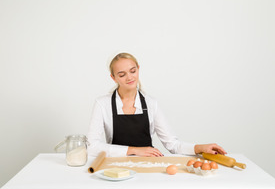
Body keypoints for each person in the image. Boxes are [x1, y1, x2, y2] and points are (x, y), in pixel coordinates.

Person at [87, 52, 227, 157]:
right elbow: (92, 146)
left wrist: (200, 148)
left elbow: (172, 144)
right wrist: (134, 150)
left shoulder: (151, 103)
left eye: (133, 71)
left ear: (138, 69)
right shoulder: (102, 104)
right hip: (117, 167)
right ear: (113, 77)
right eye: (122, 74)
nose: (129, 77)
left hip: (149, 165)